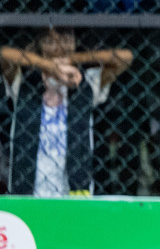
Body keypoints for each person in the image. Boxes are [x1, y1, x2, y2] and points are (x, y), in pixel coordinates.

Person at [2, 29, 132, 196]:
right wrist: (49, 66)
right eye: (50, 41)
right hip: (29, 185)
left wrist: (73, 59)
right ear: (39, 45)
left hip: (73, 187)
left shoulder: (87, 81)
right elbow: (4, 54)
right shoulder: (24, 82)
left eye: (65, 39)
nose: (58, 47)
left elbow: (125, 57)